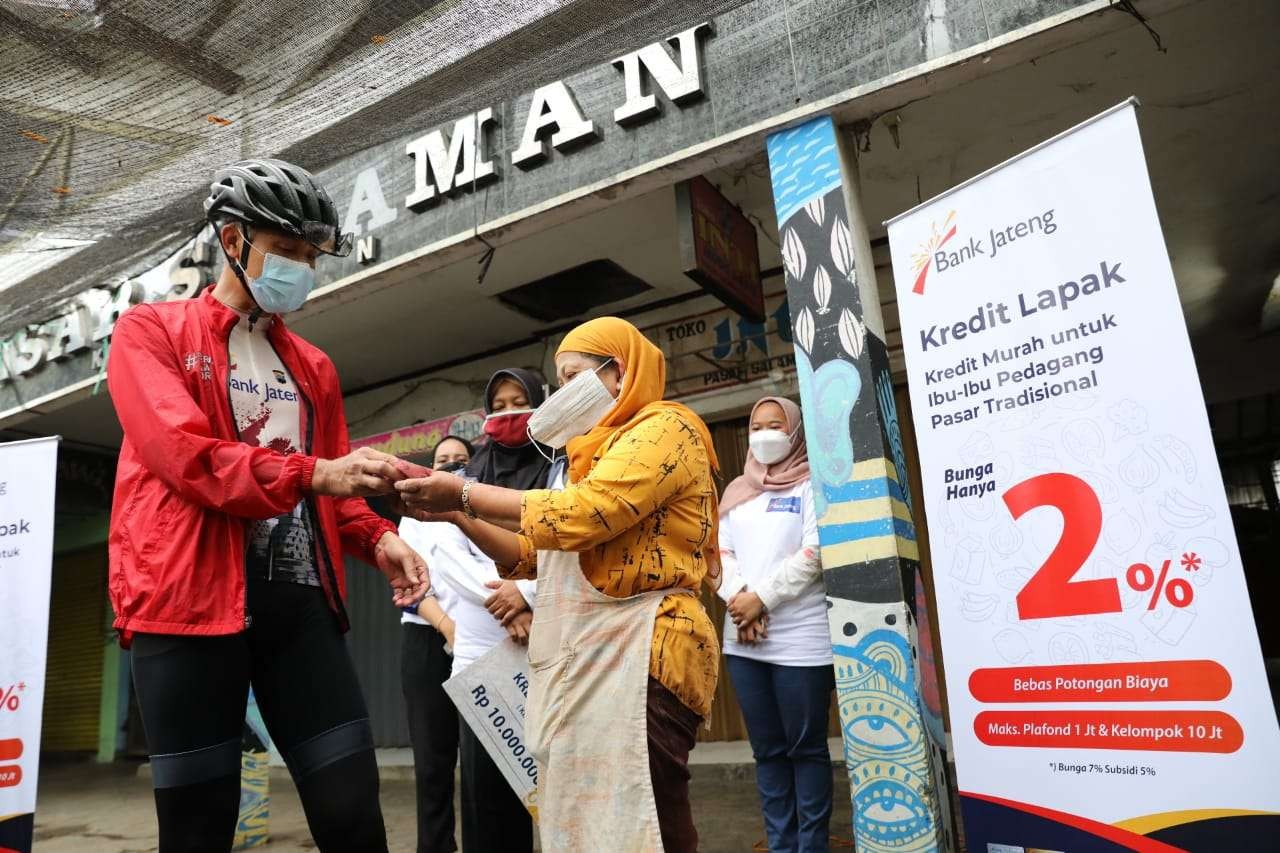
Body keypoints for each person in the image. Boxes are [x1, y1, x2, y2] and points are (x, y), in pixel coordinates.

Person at [107, 157, 429, 853]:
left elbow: (330, 491)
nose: (302, 268)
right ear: (232, 240)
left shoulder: (314, 367)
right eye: (286, 251)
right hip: (187, 609)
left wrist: (378, 539)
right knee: (199, 830)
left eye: (311, 256)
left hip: (299, 606)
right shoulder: (149, 332)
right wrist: (320, 474)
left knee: (354, 815)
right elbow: (187, 457)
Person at [396, 316, 721, 852]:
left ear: (618, 374)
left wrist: (463, 495)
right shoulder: (589, 454)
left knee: (648, 815)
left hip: (646, 649)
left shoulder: (667, 428)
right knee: (587, 819)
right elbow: (532, 555)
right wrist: (456, 517)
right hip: (583, 654)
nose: (563, 395)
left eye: (573, 378)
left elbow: (586, 515)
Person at [718, 396, 832, 853]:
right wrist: (740, 598)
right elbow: (717, 556)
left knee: (806, 750)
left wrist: (761, 599)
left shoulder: (811, 487)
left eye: (775, 425)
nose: (765, 435)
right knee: (767, 752)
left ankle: (812, 846)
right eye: (756, 427)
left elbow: (815, 553)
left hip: (802, 638)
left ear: (796, 432)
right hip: (743, 639)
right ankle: (782, 845)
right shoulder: (736, 492)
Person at [397, 436, 473, 853]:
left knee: (487, 760)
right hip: (426, 639)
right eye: (443, 461)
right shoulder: (413, 519)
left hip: (484, 638)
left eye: (461, 460)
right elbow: (408, 584)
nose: (451, 466)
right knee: (432, 763)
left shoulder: (484, 509)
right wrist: (447, 627)